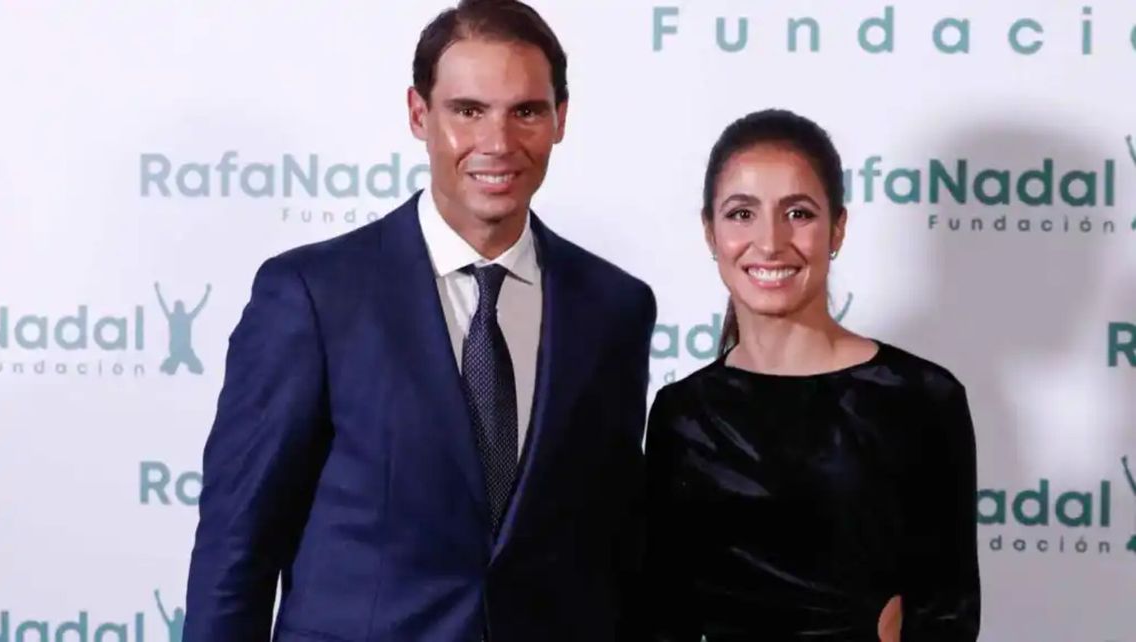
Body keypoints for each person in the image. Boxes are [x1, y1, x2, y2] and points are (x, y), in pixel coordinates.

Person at [182, 2, 656, 641]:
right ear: (418, 114)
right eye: (468, 111)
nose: (498, 143)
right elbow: (235, 548)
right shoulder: (313, 296)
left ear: (560, 119)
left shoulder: (614, 307)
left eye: (525, 112)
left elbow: (617, 550)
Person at [638, 109, 981, 641]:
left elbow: (948, 616)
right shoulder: (682, 415)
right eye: (741, 214)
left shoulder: (921, 399)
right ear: (710, 232)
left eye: (797, 213)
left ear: (837, 227)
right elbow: (660, 620)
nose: (770, 242)